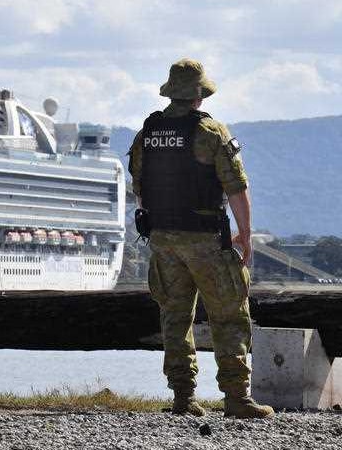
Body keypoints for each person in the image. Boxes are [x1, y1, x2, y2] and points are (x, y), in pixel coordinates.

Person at [128, 58, 274, 419]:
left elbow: (140, 190)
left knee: (175, 317)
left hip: (162, 239)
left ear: (171, 92)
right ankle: (237, 398)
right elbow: (237, 189)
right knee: (229, 315)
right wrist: (246, 236)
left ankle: (183, 397)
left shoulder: (147, 133)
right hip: (205, 239)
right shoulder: (210, 133)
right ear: (199, 96)